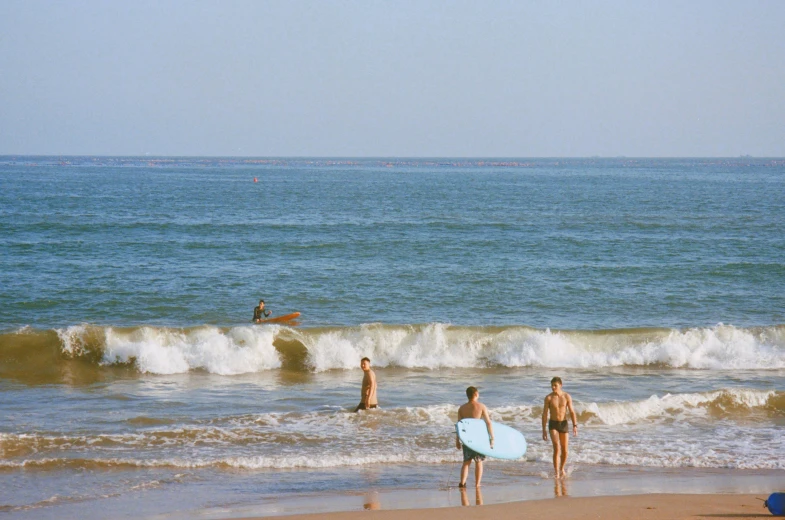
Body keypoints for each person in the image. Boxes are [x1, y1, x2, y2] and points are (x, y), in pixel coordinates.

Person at [456, 386, 494, 488]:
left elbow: (459, 426)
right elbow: (488, 423)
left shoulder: (462, 408)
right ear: (476, 394)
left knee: (466, 462)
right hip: (478, 438)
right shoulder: (481, 406)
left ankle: (462, 482)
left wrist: (457, 440)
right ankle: (477, 484)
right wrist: (492, 438)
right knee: (479, 461)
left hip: (466, 438)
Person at [542, 376, 578, 478]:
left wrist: (575, 425)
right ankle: (557, 472)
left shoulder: (567, 397)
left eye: (555, 385)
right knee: (557, 447)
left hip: (563, 424)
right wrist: (544, 430)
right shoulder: (548, 398)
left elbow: (571, 411)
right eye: (552, 386)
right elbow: (544, 414)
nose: (553, 387)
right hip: (553, 424)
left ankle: (562, 468)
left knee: (565, 450)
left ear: (560, 385)